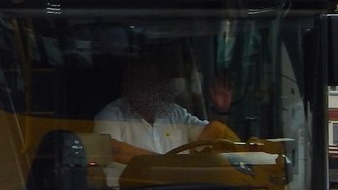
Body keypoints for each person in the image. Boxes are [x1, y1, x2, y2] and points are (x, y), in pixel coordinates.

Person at [94, 58, 234, 165]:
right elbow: (111, 148)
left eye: (153, 83)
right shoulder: (111, 115)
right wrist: (165, 164)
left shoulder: (175, 113)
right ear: (129, 86)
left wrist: (220, 112)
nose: (148, 89)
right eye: (141, 83)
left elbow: (210, 138)